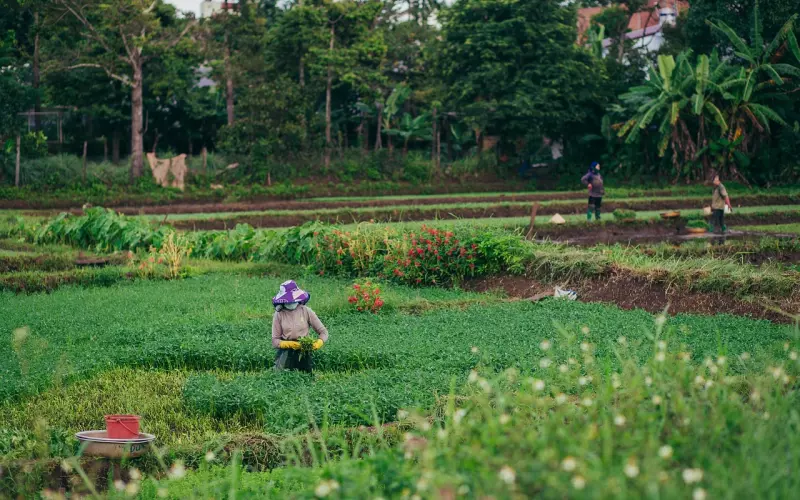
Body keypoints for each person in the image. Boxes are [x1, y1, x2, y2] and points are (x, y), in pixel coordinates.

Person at [271, 280, 328, 373]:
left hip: (304, 348)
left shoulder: (306, 311)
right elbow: (275, 340)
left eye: (293, 301)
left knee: (306, 376)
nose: (291, 303)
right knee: (282, 375)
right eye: (289, 301)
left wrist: (319, 342)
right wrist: (290, 344)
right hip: (286, 350)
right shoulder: (279, 314)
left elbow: (323, 332)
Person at [710, 174, 732, 242]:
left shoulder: (721, 187)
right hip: (716, 207)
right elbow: (715, 198)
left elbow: (726, 196)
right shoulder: (715, 188)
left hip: (719, 208)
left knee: (714, 222)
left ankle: (713, 237)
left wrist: (729, 205)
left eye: (717, 180)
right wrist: (712, 206)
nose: (715, 181)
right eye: (714, 180)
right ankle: (723, 235)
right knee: (721, 222)